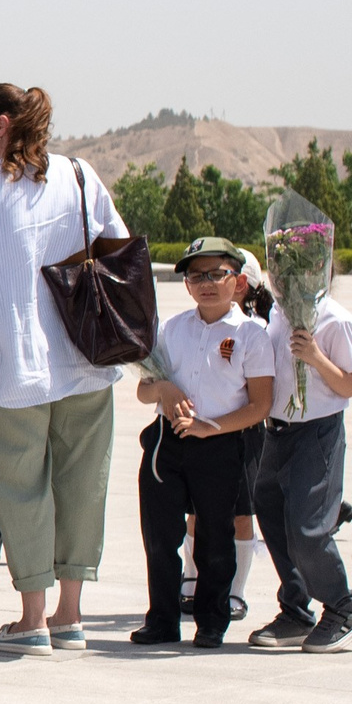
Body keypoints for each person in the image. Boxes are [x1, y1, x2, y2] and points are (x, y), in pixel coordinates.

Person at [0, 84, 127, 656]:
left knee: (20, 488)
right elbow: (116, 245)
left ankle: (32, 618)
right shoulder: (80, 175)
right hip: (86, 356)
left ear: (2, 125)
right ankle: (70, 615)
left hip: (15, 362)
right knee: (82, 485)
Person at [134, 237, 274, 648]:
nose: (207, 284)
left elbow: (260, 405)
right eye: (197, 276)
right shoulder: (172, 329)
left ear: (238, 281)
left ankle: (212, 621)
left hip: (219, 445)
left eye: (217, 274)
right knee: (160, 537)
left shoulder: (251, 335)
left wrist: (210, 428)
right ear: (187, 285)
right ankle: (162, 620)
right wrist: (163, 389)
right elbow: (143, 390)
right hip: (168, 442)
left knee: (215, 538)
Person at [246, 254, 352, 651]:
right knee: (271, 510)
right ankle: (296, 609)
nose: (286, 278)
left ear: (321, 272)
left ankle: (344, 607)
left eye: (298, 270)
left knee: (307, 527)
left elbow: (348, 386)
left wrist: (315, 356)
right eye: (280, 270)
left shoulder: (336, 320)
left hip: (317, 431)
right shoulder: (278, 315)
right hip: (278, 431)